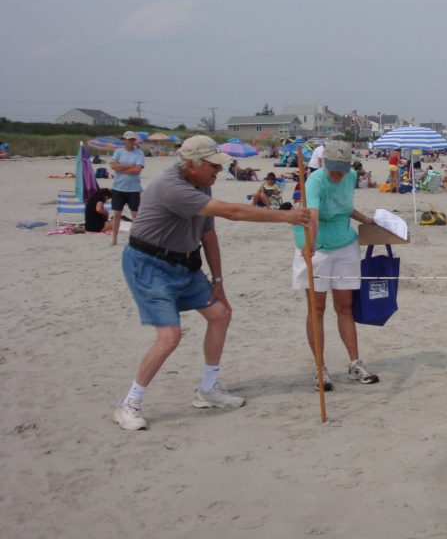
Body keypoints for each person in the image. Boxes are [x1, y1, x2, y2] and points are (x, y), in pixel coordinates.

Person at [114, 135, 312, 431]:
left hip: (185, 263)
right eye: (213, 167)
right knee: (169, 336)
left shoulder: (202, 183)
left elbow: (208, 234)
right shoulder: (172, 187)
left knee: (220, 314)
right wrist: (287, 217)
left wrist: (218, 279)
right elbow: (232, 212)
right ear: (192, 164)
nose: (218, 172)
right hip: (149, 264)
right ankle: (130, 403)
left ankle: (209, 389)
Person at [291, 141, 380, 391]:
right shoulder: (315, 181)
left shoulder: (351, 176)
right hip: (315, 243)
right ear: (324, 163)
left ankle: (355, 363)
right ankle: (320, 368)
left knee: (344, 306)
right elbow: (314, 217)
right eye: (334, 169)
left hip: (344, 243)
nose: (338, 174)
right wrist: (310, 246)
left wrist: (366, 220)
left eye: (342, 169)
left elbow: (345, 207)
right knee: (316, 308)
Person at [109, 131, 145, 246]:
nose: (131, 142)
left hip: (134, 188)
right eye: (129, 139)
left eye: (133, 140)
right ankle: (114, 239)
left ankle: (136, 238)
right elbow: (113, 166)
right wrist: (130, 166)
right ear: (124, 140)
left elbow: (137, 169)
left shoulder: (139, 153)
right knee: (117, 214)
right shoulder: (118, 151)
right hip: (119, 187)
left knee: (135, 215)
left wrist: (122, 168)